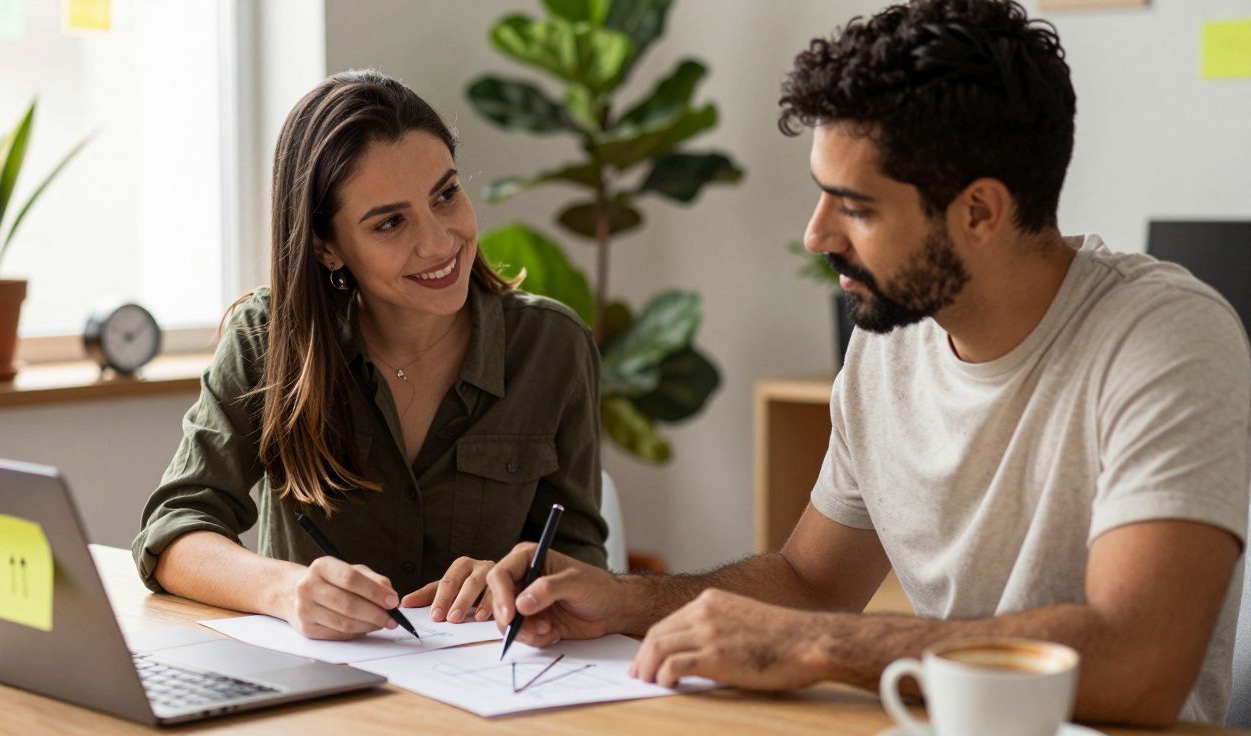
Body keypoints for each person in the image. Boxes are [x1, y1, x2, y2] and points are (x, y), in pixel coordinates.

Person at [485, 0, 1251, 726]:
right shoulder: (890, 340)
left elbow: (1143, 663)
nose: (818, 235)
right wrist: (625, 601)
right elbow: (812, 582)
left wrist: (820, 647)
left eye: (855, 206)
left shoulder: (1164, 340)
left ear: (980, 212)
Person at [132, 69, 607, 641]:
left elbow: (580, 558)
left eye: (446, 194)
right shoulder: (266, 339)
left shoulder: (552, 345)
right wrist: (284, 590)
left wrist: (523, 577)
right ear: (325, 246)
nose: (439, 241)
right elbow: (174, 531)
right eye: (389, 222)